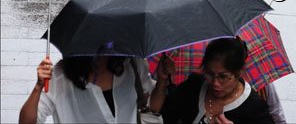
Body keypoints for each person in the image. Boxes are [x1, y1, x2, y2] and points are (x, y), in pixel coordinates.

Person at [19, 52, 172, 124]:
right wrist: (38, 87)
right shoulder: (60, 76)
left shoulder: (132, 64)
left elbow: (151, 108)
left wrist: (162, 82)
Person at [161, 37, 275, 124]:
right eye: (210, 74)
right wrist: (162, 81)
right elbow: (161, 112)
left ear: (239, 73)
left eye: (223, 77)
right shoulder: (194, 85)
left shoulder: (254, 108)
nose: (215, 83)